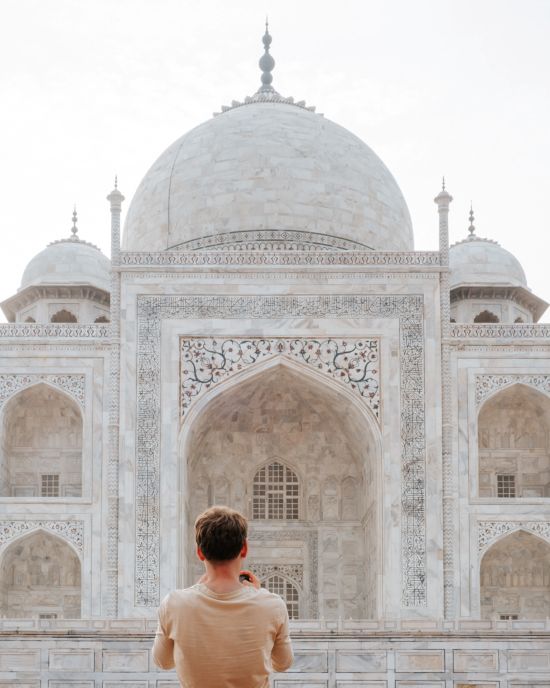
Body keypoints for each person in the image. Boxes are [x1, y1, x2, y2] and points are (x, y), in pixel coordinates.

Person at [152, 505, 294, 687]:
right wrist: (258, 596)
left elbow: (163, 662)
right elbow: (282, 663)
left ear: (200, 552)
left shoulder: (174, 604)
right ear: (244, 548)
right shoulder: (272, 606)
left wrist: (195, 591)